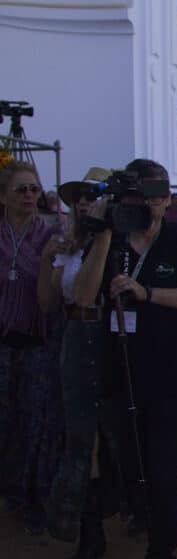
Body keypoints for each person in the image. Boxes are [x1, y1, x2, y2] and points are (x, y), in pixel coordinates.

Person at [72, 158, 177, 559]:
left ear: (166, 197)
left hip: (171, 377)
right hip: (120, 376)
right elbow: (81, 298)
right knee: (136, 477)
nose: (149, 203)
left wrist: (148, 294)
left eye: (157, 194)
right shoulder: (110, 241)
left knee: (158, 474)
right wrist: (99, 237)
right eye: (139, 194)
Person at [41, 167, 125, 559]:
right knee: (80, 439)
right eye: (80, 196)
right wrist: (48, 258)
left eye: (93, 195)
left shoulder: (115, 239)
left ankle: (137, 510)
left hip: (107, 341)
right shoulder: (68, 243)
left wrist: (102, 236)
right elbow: (51, 300)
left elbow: (90, 293)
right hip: (75, 337)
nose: (84, 202)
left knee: (118, 439)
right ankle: (90, 535)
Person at [0, 160, 64, 535]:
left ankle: (40, 498)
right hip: (4, 343)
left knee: (38, 423)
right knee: (7, 422)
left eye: (34, 189)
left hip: (40, 342)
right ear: (3, 196)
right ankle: (13, 493)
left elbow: (53, 295)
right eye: (21, 189)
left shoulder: (51, 236)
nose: (28, 196)